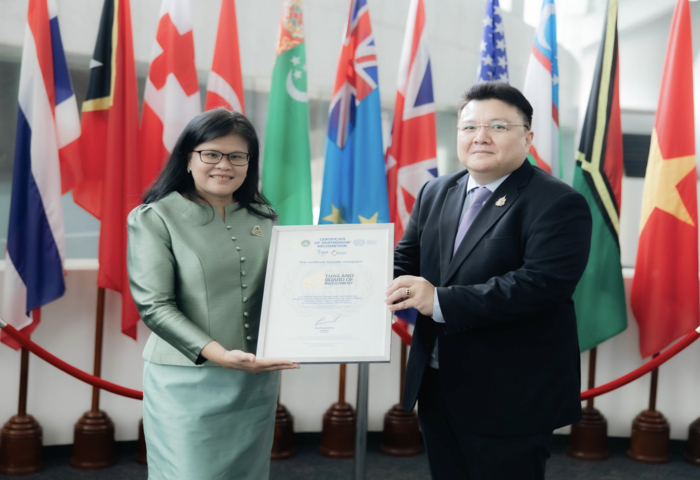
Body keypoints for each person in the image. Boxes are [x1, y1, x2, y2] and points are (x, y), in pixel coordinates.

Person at [385, 82, 592, 480]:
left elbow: (540, 285)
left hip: (510, 394)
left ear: (528, 137)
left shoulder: (558, 202)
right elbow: (405, 260)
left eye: (497, 126)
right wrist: (350, 275)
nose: (480, 137)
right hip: (437, 382)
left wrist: (439, 300)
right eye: (469, 127)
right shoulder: (436, 191)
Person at [127, 109, 299, 480]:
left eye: (237, 156)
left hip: (254, 379)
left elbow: (285, 290)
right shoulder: (154, 217)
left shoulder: (265, 217)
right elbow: (155, 306)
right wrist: (219, 354)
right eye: (211, 154)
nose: (224, 165)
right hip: (186, 381)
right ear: (188, 158)